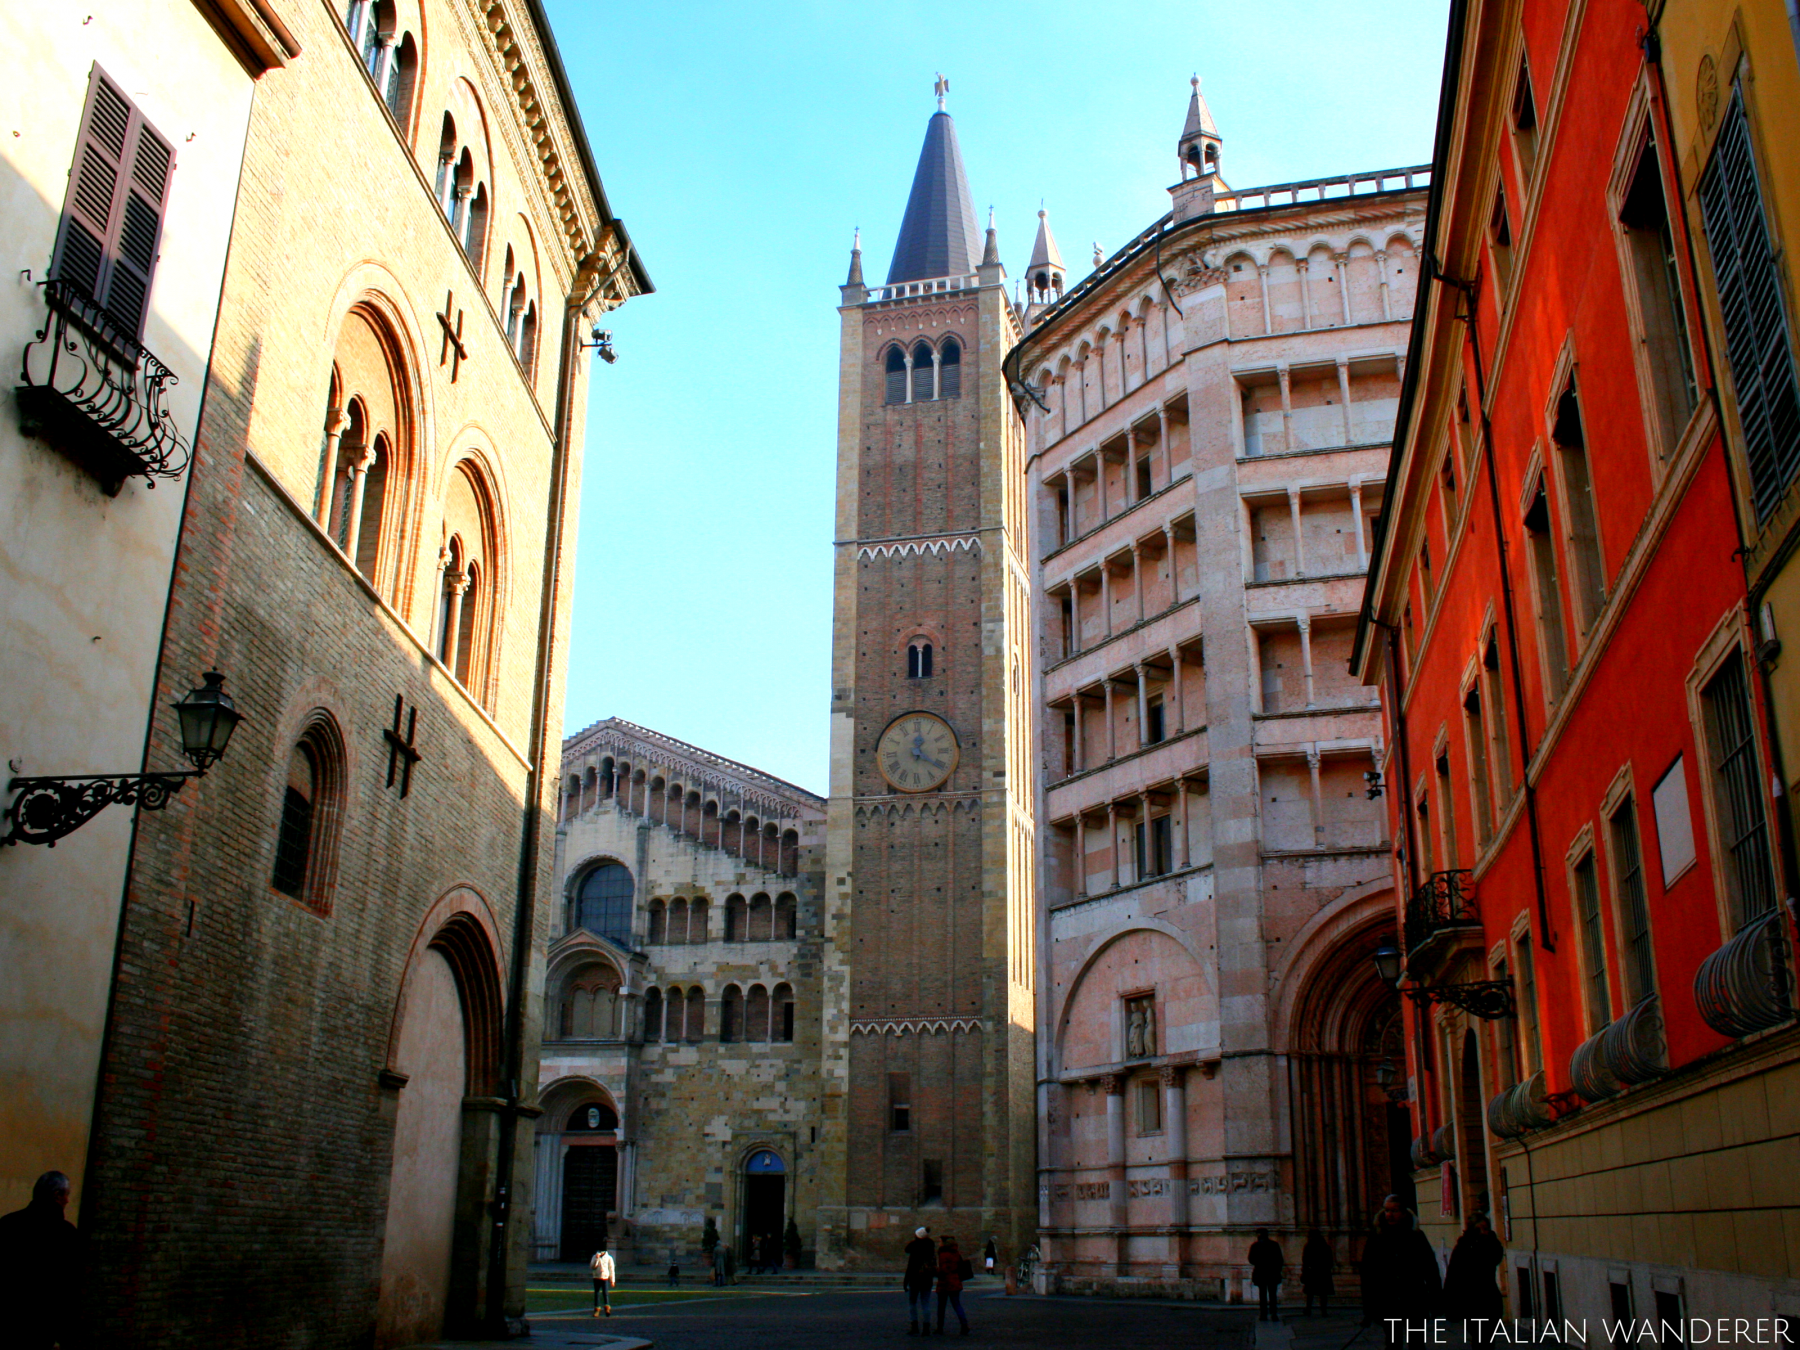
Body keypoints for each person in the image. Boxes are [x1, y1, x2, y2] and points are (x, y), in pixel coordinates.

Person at [0, 1171, 82, 1350]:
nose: (68, 1201)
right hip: (41, 1327)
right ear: (57, 1195)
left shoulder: (7, 1224)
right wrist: (65, 1335)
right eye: (66, 1195)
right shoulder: (65, 1234)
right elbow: (67, 1288)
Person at [1361, 1195, 1442, 1346]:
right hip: (1388, 1299)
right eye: (1386, 1210)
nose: (1389, 1215)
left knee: (1417, 1342)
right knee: (1392, 1342)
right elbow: (1368, 1272)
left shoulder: (1416, 1235)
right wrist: (1369, 1305)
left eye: (1394, 1210)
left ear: (1404, 1213)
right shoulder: (1377, 1237)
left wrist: (1435, 1299)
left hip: (1414, 1298)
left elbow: (1430, 1268)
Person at [1443, 1212, 1504, 1343]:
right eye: (1478, 1229)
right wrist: (1449, 1303)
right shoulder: (1463, 1247)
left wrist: (1489, 1239)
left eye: (1485, 1228)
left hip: (1490, 1300)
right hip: (1471, 1302)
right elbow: (1452, 1275)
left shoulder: (1491, 1245)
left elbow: (1496, 1256)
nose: (1483, 1232)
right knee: (1479, 1338)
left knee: (1487, 1338)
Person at [903, 1225, 936, 1336]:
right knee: (925, 1303)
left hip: (915, 1279)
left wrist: (905, 1281)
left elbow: (910, 1265)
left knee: (913, 1303)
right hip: (927, 1279)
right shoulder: (930, 1246)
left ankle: (914, 1326)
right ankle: (926, 1327)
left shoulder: (914, 1248)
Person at [935, 1234, 971, 1336]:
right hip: (955, 1281)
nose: (939, 1243)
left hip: (945, 1283)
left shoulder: (943, 1254)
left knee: (941, 1306)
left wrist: (936, 1271)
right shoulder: (956, 1253)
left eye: (940, 1241)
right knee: (957, 1305)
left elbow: (944, 1269)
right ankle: (964, 1325)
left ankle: (940, 1327)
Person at [1248, 1227, 1286, 1322]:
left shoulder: (1255, 1245)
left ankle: (1263, 1314)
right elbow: (1280, 1260)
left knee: (1263, 1294)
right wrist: (1277, 1269)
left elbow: (1251, 1259)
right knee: (1272, 1294)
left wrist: (1259, 1262)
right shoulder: (1274, 1245)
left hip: (1261, 1272)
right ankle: (1273, 1313)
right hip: (1272, 1272)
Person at [1301, 1228, 1335, 1316]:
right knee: (1323, 1293)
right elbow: (1330, 1261)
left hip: (1312, 1272)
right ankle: (1323, 1311)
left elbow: (1305, 1260)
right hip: (1323, 1272)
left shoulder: (1309, 1246)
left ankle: (1308, 1309)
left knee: (1310, 1293)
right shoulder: (1325, 1246)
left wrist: (1305, 1271)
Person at [590, 1244, 616, 1317]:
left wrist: (612, 1280)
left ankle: (607, 1307)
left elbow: (611, 1269)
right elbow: (592, 1266)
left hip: (604, 1277)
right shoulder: (594, 1257)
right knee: (597, 1293)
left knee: (605, 1293)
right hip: (596, 1277)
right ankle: (597, 1309)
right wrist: (596, 1259)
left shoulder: (609, 1258)